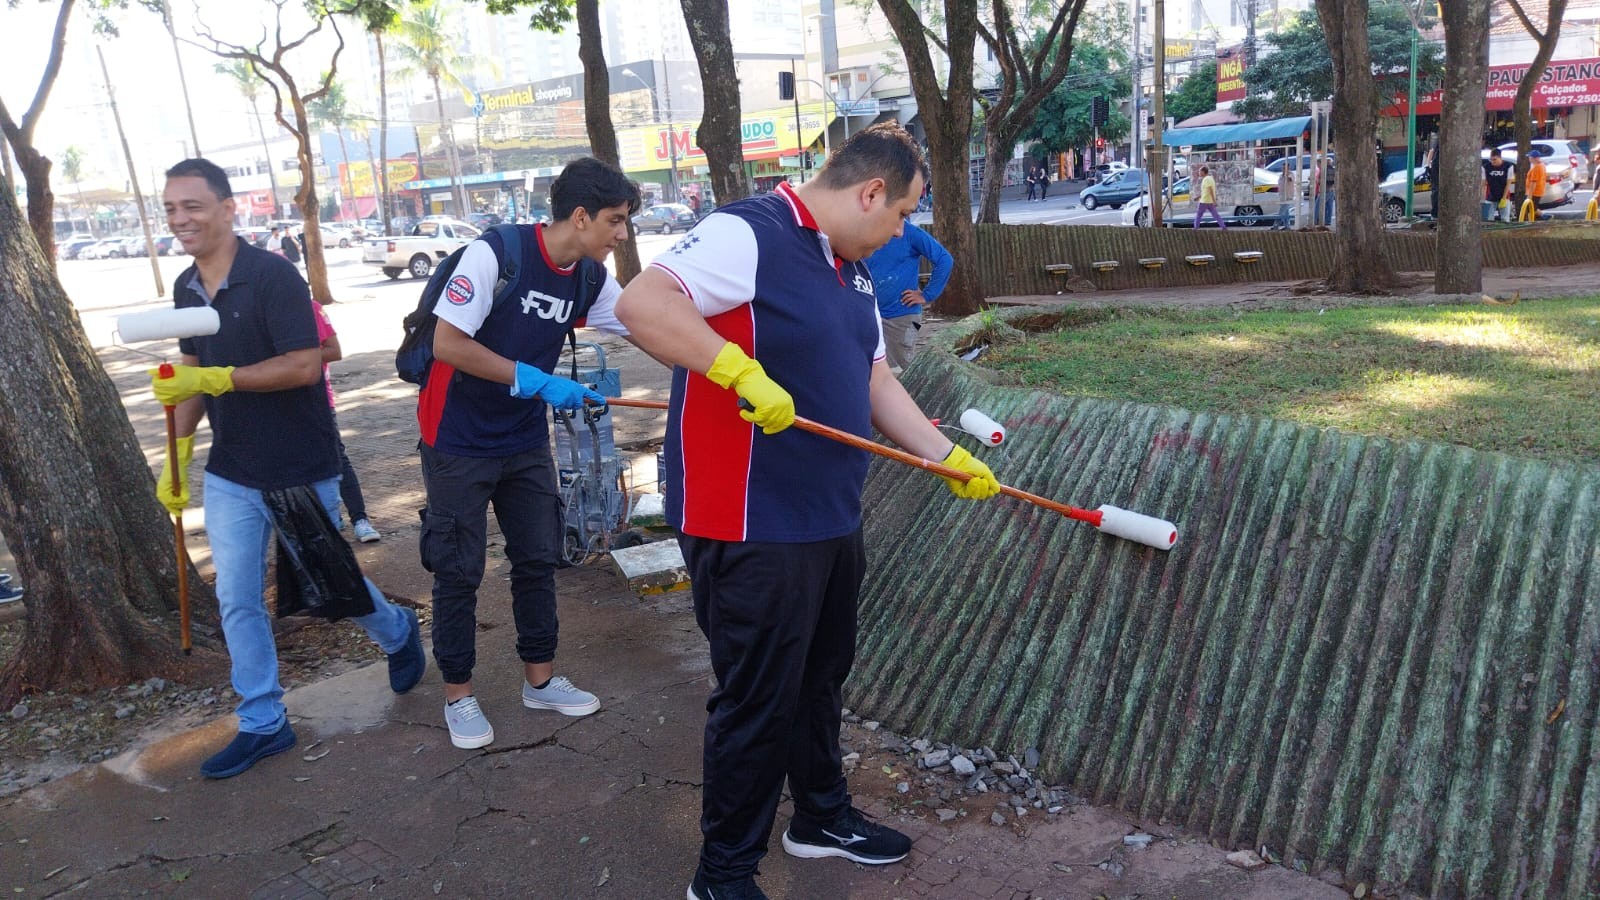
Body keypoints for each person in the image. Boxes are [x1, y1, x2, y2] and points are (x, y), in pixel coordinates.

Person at [614, 122, 1002, 900]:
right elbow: (642, 303)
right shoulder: (749, 231)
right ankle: (721, 875)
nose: (903, 232)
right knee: (756, 698)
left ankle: (819, 818)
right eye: (902, 214)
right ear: (870, 193)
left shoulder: (851, 271)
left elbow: (873, 379)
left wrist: (943, 454)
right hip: (748, 517)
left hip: (827, 510)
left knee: (820, 678)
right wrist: (734, 369)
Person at [150, 158, 425, 779]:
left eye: (191, 206)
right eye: (170, 208)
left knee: (328, 585)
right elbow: (189, 374)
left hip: (301, 465)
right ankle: (264, 721)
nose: (180, 219)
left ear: (227, 208)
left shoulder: (273, 276)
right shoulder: (185, 288)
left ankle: (396, 629)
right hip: (231, 471)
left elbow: (305, 365)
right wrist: (178, 450)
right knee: (237, 596)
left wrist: (217, 377)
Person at [416, 157, 639, 750]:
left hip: (521, 439)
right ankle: (459, 696)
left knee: (538, 558)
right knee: (459, 569)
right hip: (456, 437)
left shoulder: (588, 277)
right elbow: (447, 344)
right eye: (616, 221)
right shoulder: (496, 254)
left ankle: (539, 680)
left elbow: (646, 327)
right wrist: (538, 382)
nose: (622, 234)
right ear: (581, 215)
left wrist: (722, 375)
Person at [310, 301, 380, 543]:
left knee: (337, 457)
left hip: (318, 401)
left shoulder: (310, 308)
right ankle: (328, 519)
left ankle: (360, 520)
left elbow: (334, 351)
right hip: (279, 407)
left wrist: (294, 358)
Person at [863, 221, 953, 373]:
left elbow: (945, 259)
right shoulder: (866, 231)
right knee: (875, 368)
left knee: (902, 365)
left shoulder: (911, 233)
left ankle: (910, 395)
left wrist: (927, 295)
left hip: (905, 317)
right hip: (870, 314)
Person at [1482, 148, 1513, 222]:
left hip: (1504, 196)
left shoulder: (1508, 166)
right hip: (1490, 197)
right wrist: (1482, 198)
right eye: (1491, 159)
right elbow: (1483, 184)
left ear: (1500, 158)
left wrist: (1504, 198)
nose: (1493, 162)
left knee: (1505, 219)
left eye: (1495, 159)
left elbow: (1508, 183)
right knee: (1488, 219)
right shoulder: (1486, 167)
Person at [1193, 165, 1226, 229]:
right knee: (1216, 216)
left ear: (1203, 172)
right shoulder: (1210, 178)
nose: (1199, 173)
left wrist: (1214, 201)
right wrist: (1198, 197)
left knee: (1198, 215)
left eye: (1200, 171)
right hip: (1209, 202)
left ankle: (1195, 229)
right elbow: (1206, 191)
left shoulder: (1206, 179)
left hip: (1204, 201)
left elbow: (1210, 190)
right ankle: (1223, 227)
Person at [1525, 149, 1547, 220]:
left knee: (1531, 209)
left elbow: (1533, 182)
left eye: (1530, 157)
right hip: (1539, 190)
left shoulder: (1536, 167)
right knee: (1533, 208)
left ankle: (1543, 217)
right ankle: (1544, 216)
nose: (1529, 159)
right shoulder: (1541, 165)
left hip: (1535, 192)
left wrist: (1530, 195)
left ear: (1534, 158)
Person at [1274, 164, 1295, 230]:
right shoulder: (1281, 176)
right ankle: (1287, 226)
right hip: (1282, 196)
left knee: (1281, 212)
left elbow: (1290, 179)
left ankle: (1276, 225)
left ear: (1288, 168)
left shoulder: (1291, 174)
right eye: (1282, 168)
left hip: (1288, 196)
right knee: (1286, 212)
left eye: (1285, 168)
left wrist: (1286, 174)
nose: (1283, 169)